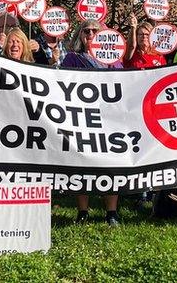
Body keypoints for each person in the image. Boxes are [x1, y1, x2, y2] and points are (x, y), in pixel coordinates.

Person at [61, 19, 121, 226]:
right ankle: (82, 212)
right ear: (79, 34)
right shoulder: (72, 58)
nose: (90, 33)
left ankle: (111, 212)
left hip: (109, 119)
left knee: (110, 164)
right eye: (86, 30)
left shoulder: (114, 59)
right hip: (82, 117)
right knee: (82, 164)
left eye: (95, 30)